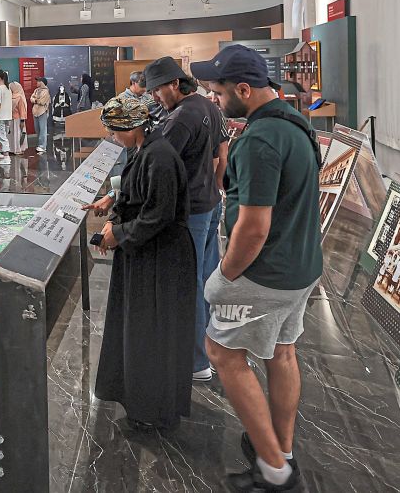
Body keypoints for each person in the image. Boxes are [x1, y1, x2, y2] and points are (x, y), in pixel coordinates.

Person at [192, 44, 323, 492]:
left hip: (265, 273)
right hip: (301, 266)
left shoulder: (259, 140)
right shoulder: (295, 124)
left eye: (219, 91)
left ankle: (274, 471)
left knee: (222, 353)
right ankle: (281, 450)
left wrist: (224, 276)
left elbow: (253, 228)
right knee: (282, 352)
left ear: (244, 90)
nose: (215, 99)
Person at [89, 96, 195, 431]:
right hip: (145, 253)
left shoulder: (159, 157)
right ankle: (139, 400)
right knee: (138, 329)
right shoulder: (144, 150)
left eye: (115, 131)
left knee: (152, 333)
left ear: (132, 126)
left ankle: (153, 409)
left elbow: (158, 215)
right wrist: (113, 220)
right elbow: (134, 196)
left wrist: (118, 234)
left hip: (161, 258)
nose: (113, 137)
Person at [119, 56, 227, 382]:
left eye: (157, 90)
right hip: (210, 202)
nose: (154, 96)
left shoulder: (180, 119)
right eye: (150, 91)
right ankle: (209, 350)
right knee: (207, 281)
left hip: (192, 210)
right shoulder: (208, 106)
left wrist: (121, 196)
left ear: (175, 84)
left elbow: (160, 164)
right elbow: (220, 152)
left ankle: (196, 361)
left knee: (188, 285)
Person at [31, 76, 51, 153]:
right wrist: (36, 100)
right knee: (37, 129)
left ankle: (43, 146)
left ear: (42, 83)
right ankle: (39, 144)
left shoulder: (46, 91)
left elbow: (42, 102)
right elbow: (31, 98)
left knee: (43, 129)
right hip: (35, 112)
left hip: (42, 112)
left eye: (38, 81)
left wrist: (35, 100)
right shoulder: (36, 90)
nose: (37, 82)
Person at [9, 79, 29, 154]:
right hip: (18, 119)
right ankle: (18, 149)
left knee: (11, 135)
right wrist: (22, 121)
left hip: (10, 118)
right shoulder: (20, 97)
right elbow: (22, 110)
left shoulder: (10, 97)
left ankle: (11, 149)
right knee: (18, 134)